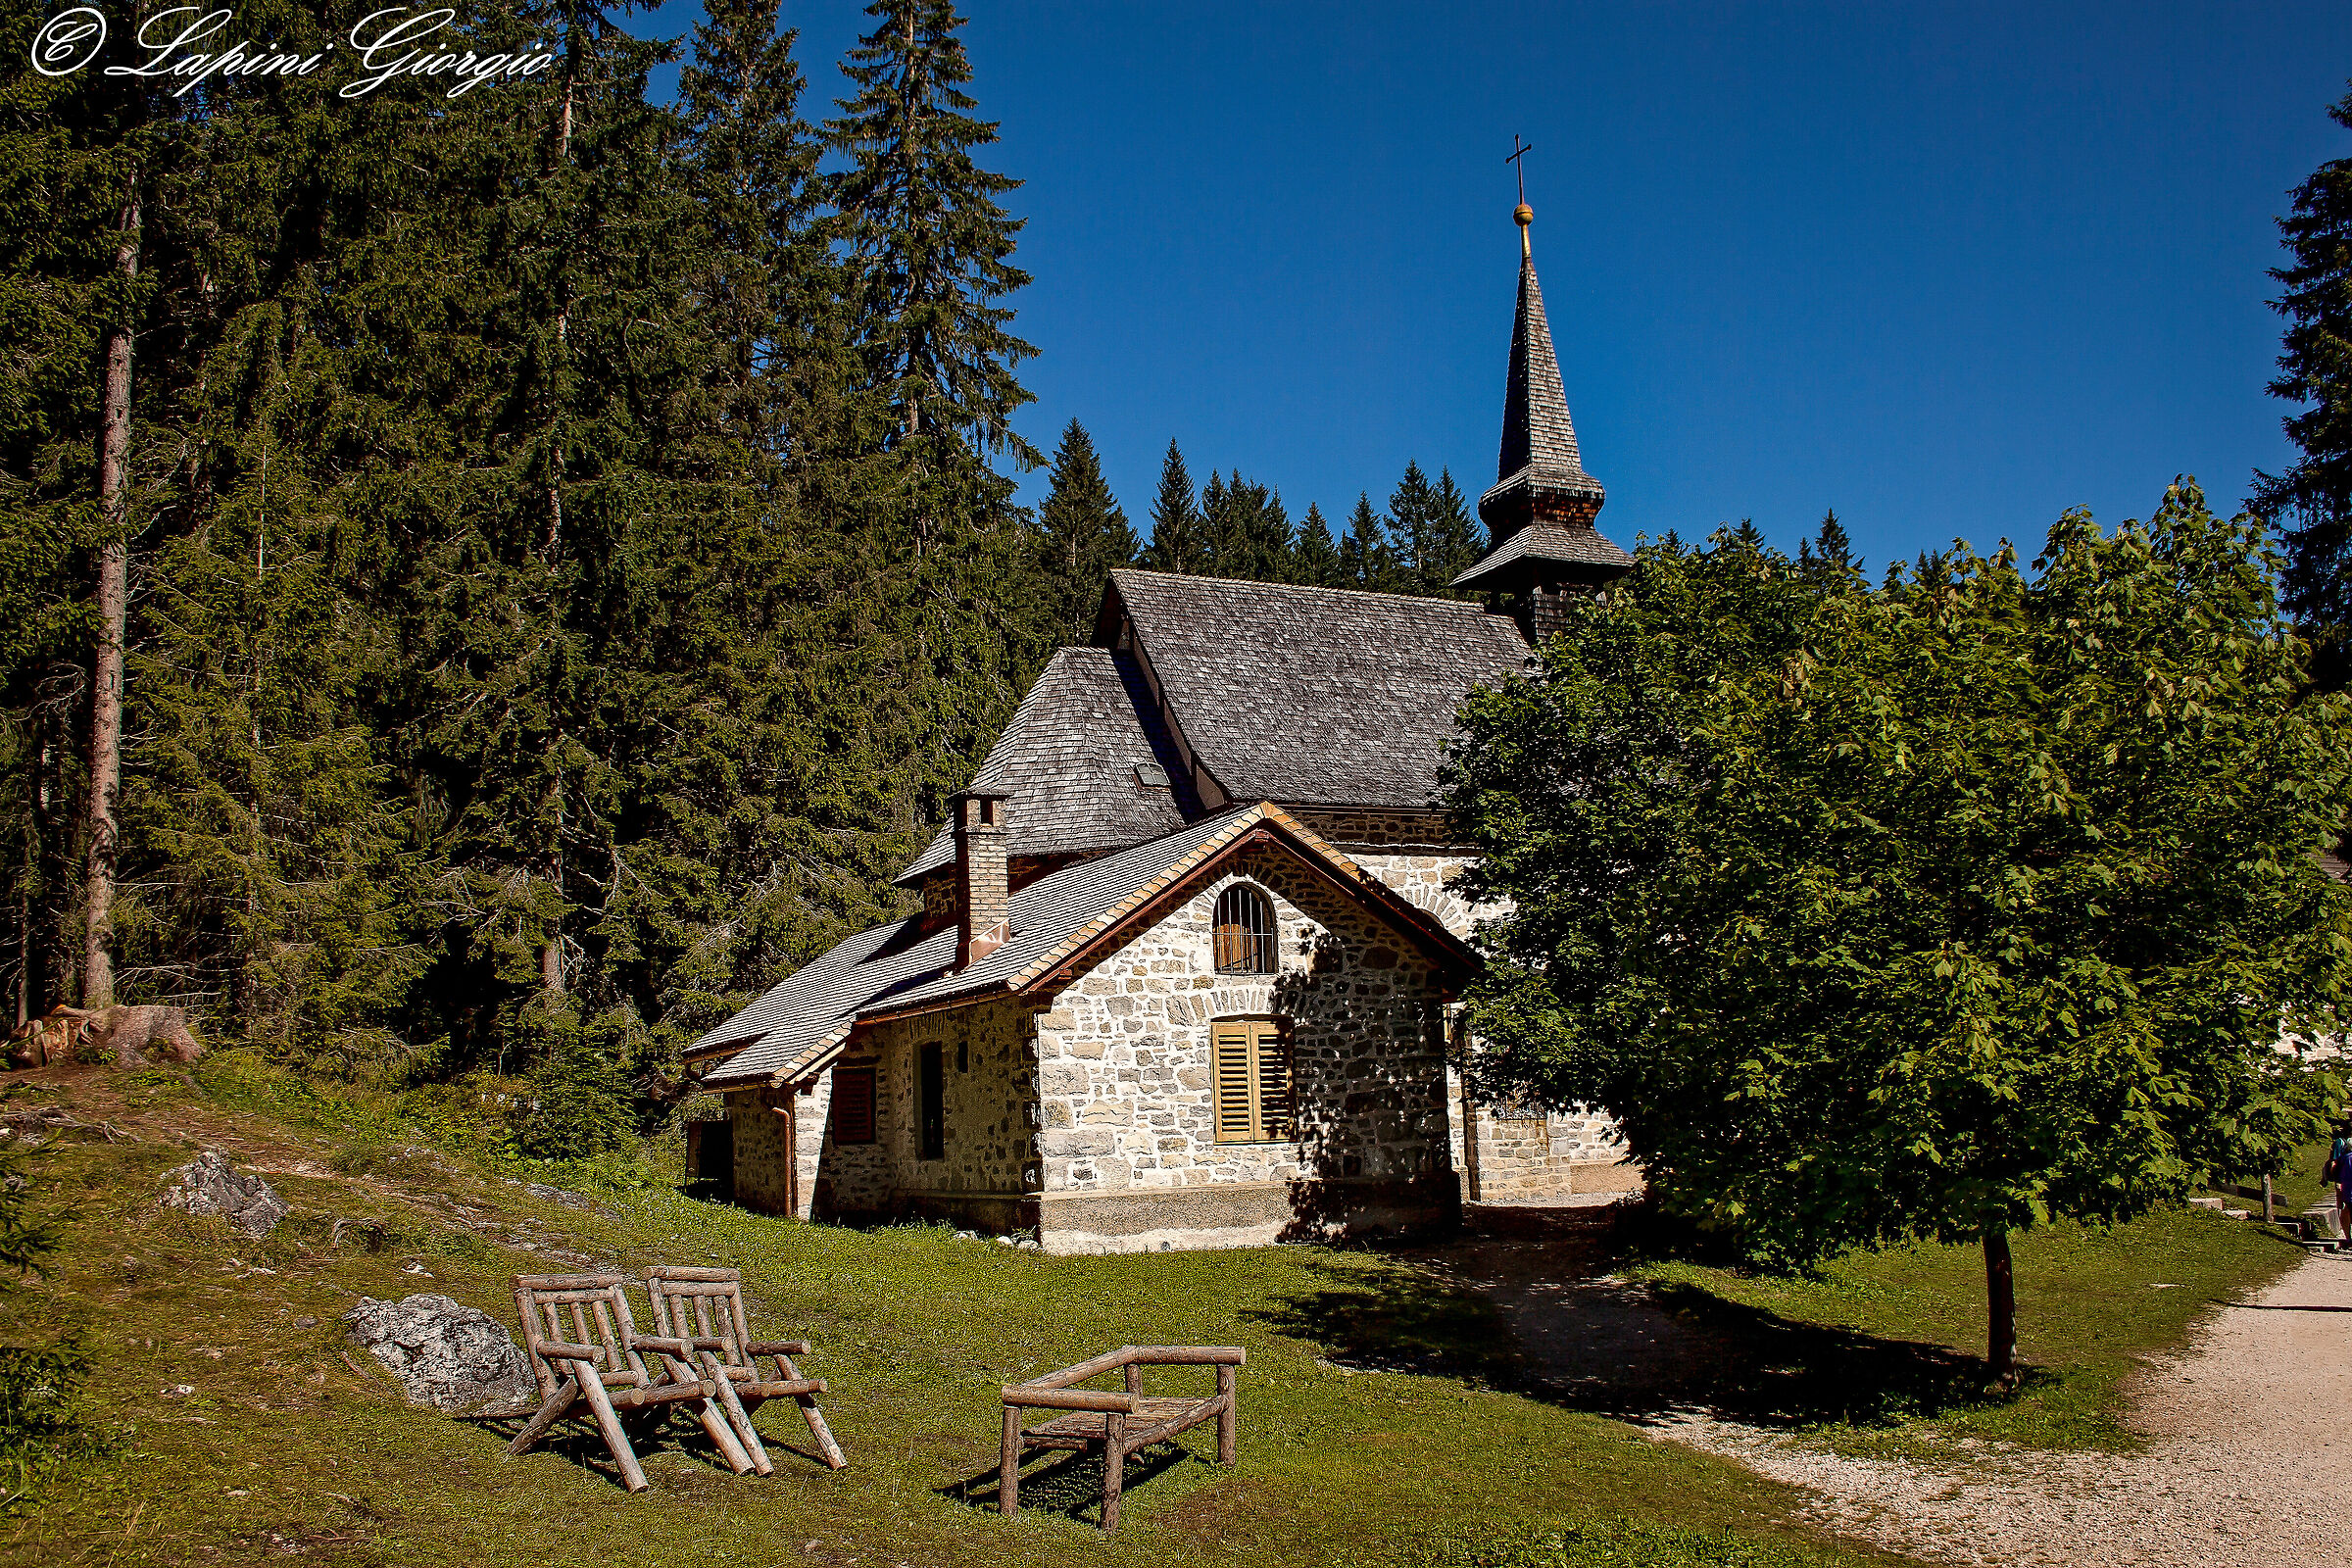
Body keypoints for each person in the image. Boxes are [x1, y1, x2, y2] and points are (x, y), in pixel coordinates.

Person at [2327, 1124, 2352, 1251]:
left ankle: (2348, 1238)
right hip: (2344, 1180)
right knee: (2345, 1207)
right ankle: (2348, 1237)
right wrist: (2336, 1179)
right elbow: (2334, 1162)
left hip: (2345, 1180)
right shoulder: (2340, 1142)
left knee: (2346, 1208)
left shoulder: (2340, 1142)